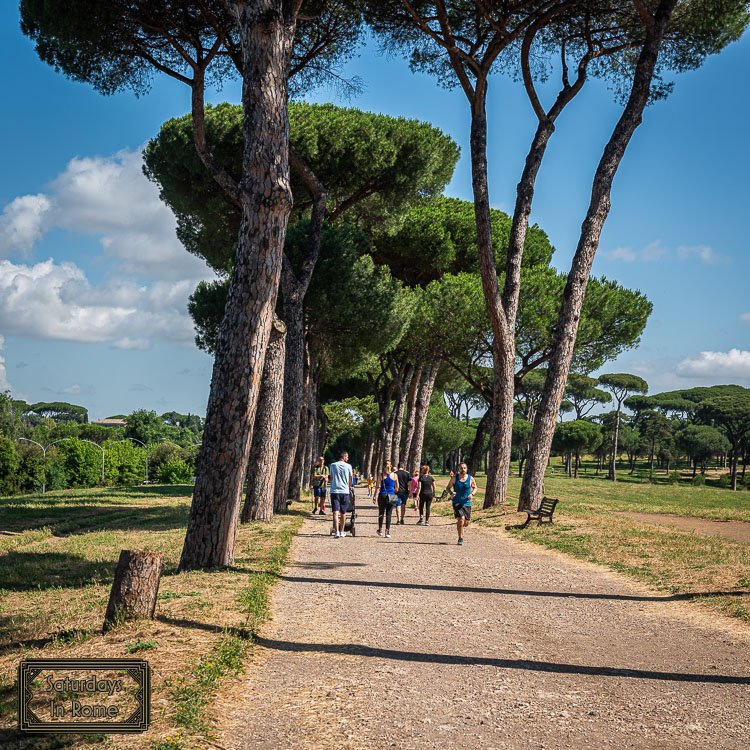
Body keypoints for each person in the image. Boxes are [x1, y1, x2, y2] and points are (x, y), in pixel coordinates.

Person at [445, 462, 476, 545]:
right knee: (461, 519)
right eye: (461, 468)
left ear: (467, 469)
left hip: (467, 503)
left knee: (466, 523)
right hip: (457, 502)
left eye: (464, 468)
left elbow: (475, 488)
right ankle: (460, 537)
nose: (463, 469)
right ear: (458, 469)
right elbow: (447, 488)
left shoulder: (470, 478)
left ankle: (461, 526)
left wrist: (472, 494)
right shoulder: (454, 479)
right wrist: (451, 493)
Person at [329, 450, 353, 538]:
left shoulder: (332, 465)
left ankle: (337, 531)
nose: (348, 458)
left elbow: (331, 477)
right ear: (344, 457)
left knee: (335, 512)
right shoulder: (348, 466)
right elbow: (350, 479)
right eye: (347, 457)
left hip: (334, 491)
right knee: (343, 512)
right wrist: (350, 486)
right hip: (345, 491)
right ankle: (342, 531)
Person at [375, 462, 399, 538]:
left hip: (382, 494)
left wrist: (374, 496)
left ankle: (380, 529)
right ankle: (387, 531)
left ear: (383, 466)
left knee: (381, 512)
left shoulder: (381, 475)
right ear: (391, 466)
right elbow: (397, 487)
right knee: (389, 514)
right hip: (392, 495)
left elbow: (378, 486)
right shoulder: (395, 475)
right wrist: (393, 491)